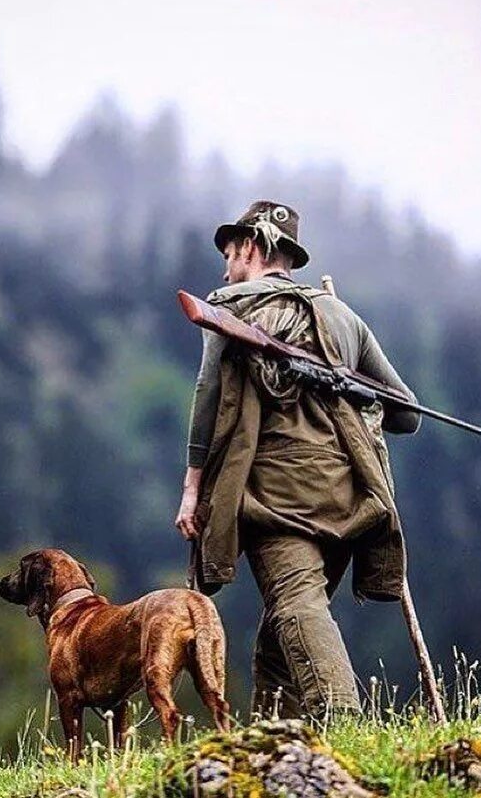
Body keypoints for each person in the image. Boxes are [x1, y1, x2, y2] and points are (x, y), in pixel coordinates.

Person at [174, 200, 421, 719]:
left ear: (255, 247)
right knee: (280, 635)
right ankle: (278, 746)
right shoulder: (342, 316)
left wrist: (193, 488)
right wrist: (351, 389)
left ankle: (343, 722)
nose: (225, 267)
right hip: (350, 497)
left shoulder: (230, 306)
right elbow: (408, 415)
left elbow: (208, 393)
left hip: (276, 496)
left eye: (231, 252)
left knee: (295, 604)